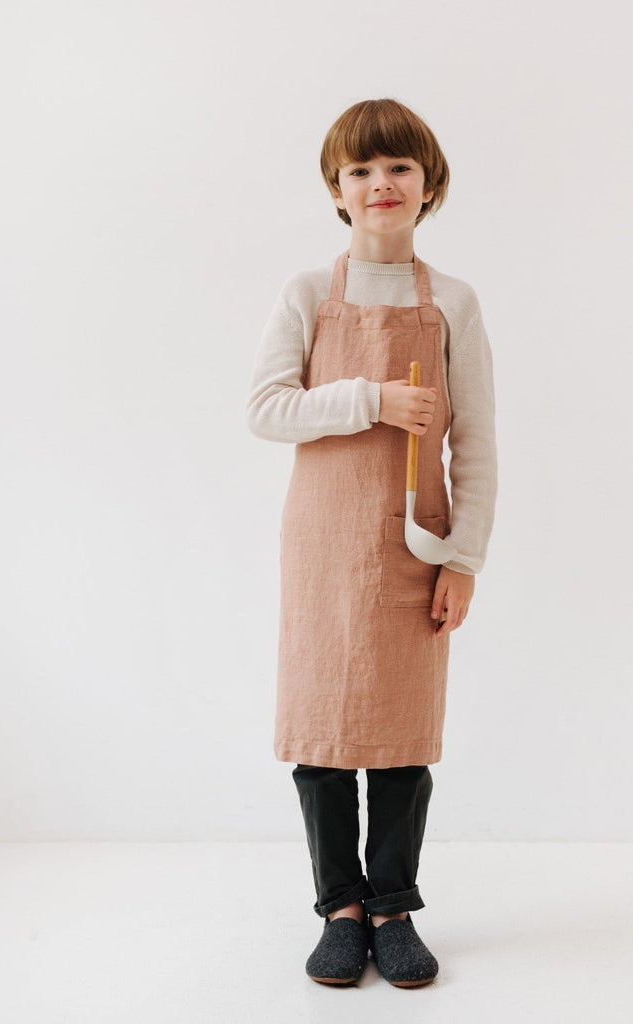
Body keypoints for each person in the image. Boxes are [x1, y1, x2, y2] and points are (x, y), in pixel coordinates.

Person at [245, 98, 498, 988]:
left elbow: (479, 442)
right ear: (336, 190)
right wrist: (374, 400)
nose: (380, 184)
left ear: (428, 187)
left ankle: (393, 905)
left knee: (400, 736)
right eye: (360, 170)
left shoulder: (455, 302)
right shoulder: (308, 294)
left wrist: (462, 556)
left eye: (398, 168)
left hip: (415, 547)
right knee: (321, 732)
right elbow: (266, 409)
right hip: (321, 542)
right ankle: (339, 909)